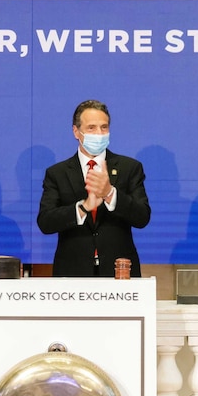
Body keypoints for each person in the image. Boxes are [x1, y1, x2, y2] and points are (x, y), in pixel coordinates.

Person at [37, 99, 151, 277]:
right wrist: (83, 207)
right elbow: (46, 222)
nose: (99, 133)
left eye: (104, 127)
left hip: (119, 273)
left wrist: (110, 194)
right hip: (73, 273)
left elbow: (142, 217)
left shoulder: (130, 168)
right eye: (91, 128)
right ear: (76, 131)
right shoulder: (57, 173)